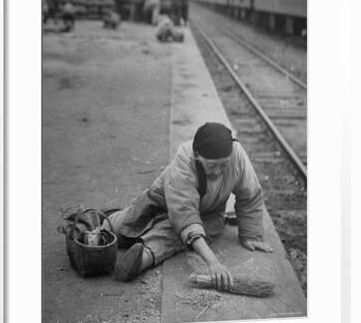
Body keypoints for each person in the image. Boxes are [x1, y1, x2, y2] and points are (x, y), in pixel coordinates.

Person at [106, 122, 273, 286]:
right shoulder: (184, 160)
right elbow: (184, 215)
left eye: (224, 165)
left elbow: (250, 194)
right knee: (125, 226)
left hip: (208, 213)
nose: (218, 171)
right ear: (197, 156)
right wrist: (213, 262)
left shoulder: (236, 155)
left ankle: (141, 259)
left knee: (173, 234)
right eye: (212, 165)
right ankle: (92, 226)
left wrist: (251, 234)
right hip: (160, 201)